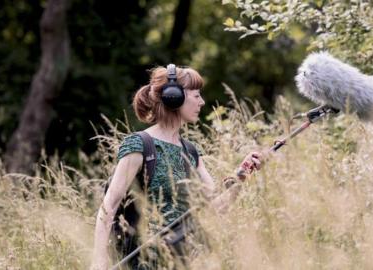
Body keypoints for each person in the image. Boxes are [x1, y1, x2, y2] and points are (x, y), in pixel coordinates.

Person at [91, 64, 262, 270]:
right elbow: (108, 206)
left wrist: (241, 176)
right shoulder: (139, 145)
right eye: (196, 95)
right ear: (175, 97)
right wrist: (99, 261)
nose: (202, 102)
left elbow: (216, 207)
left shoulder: (190, 151)